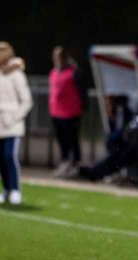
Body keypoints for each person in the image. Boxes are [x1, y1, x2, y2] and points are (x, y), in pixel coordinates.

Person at [0, 41, 33, 205]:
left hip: (11, 125)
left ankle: (15, 190)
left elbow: (27, 101)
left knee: (9, 156)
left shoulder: (16, 74)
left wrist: (13, 117)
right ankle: (6, 189)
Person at [49, 46, 86, 178]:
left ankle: (76, 165)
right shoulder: (54, 72)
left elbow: (82, 92)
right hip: (56, 112)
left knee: (73, 140)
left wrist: (82, 108)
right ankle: (64, 163)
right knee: (61, 140)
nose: (56, 59)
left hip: (71, 113)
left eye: (59, 57)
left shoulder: (74, 72)